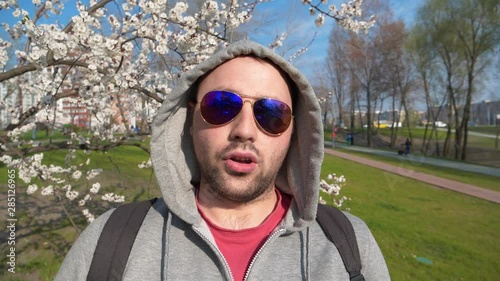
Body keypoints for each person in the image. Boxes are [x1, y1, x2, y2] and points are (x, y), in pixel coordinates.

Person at [55, 40, 390, 280]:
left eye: (272, 115)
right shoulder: (111, 241)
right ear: (189, 120)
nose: (244, 130)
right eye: (221, 106)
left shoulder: (348, 247)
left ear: (294, 134)